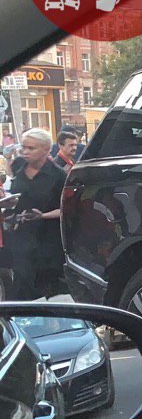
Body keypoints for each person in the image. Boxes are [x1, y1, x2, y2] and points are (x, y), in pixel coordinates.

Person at [7, 128, 68, 300]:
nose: (25, 152)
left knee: (44, 288)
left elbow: (66, 209)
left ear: (46, 150)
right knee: (20, 284)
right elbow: (16, 196)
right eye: (23, 147)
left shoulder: (58, 175)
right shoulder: (18, 165)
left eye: (31, 148)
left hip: (46, 241)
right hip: (20, 238)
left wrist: (43, 215)